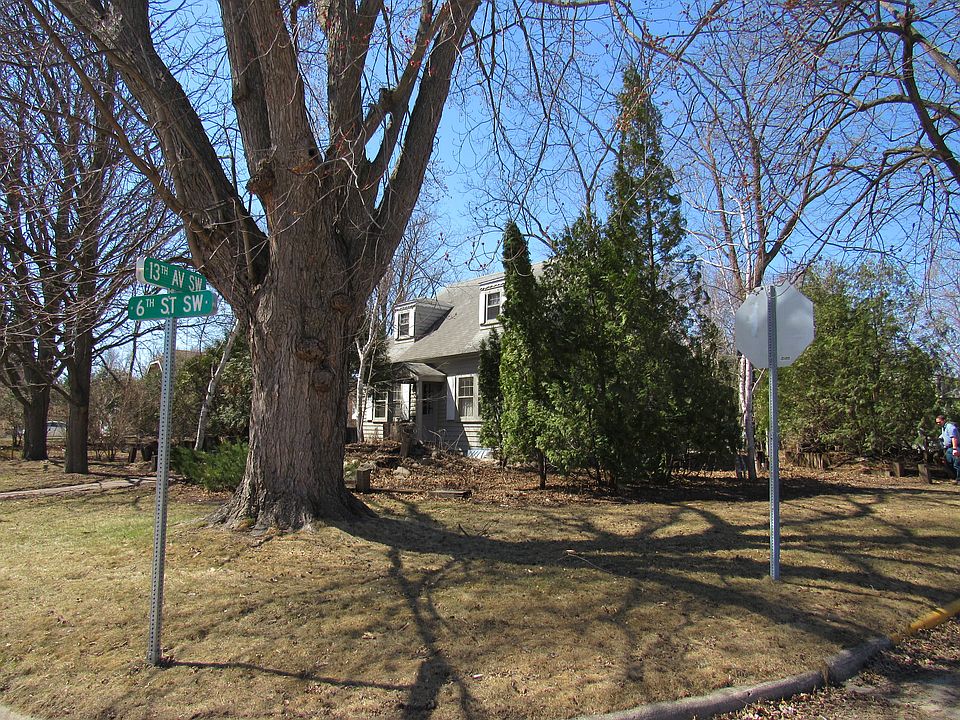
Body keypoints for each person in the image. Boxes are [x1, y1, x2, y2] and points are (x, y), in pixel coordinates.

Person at [936, 414, 960, 482]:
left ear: (944, 420)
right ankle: (955, 477)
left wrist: (955, 449)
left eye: (939, 422)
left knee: (957, 464)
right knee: (949, 463)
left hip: (955, 447)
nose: (938, 424)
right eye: (937, 422)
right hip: (948, 448)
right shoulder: (943, 427)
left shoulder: (949, 426)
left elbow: (954, 437)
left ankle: (958, 479)